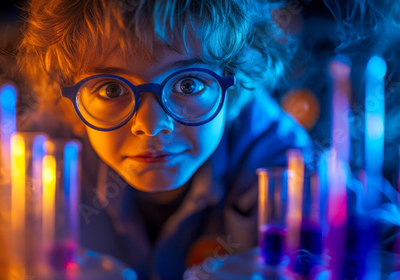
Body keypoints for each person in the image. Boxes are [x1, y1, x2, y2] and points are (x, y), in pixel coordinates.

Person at [17, 0, 312, 279]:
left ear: (232, 88)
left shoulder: (282, 161)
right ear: (71, 103)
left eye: (188, 84)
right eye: (111, 90)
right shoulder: (30, 161)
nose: (151, 126)